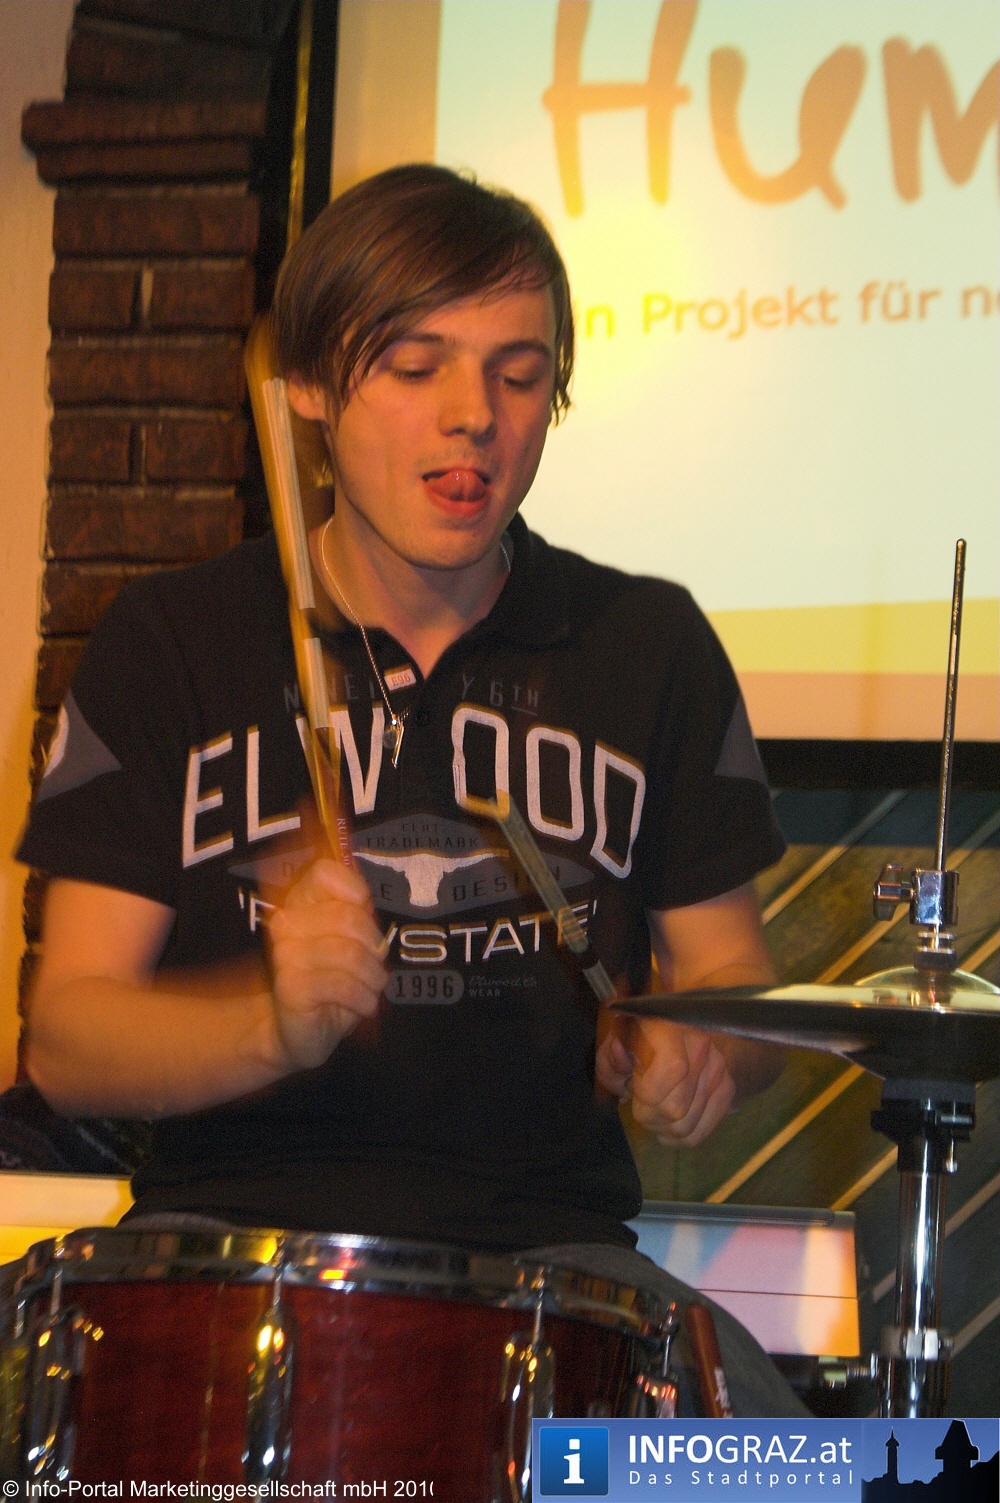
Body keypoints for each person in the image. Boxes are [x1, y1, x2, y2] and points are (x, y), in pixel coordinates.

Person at [18, 165, 801, 1415]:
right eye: (413, 365)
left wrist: (704, 1049)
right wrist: (267, 1024)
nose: (473, 418)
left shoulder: (647, 646)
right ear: (312, 388)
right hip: (224, 1254)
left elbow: (731, 974)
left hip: (558, 1272)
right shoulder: (174, 641)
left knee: (804, 1474)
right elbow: (66, 1041)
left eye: (518, 374)